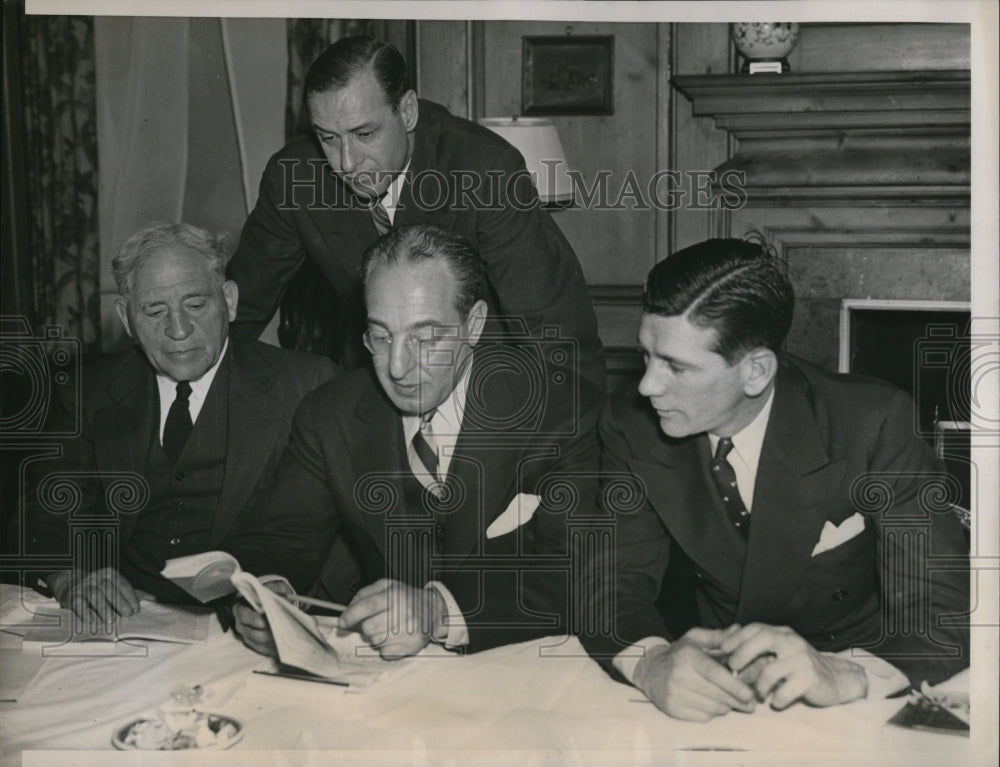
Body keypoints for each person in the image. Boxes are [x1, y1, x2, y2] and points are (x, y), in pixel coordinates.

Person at [582, 238, 969, 721]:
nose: (647, 385)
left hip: (855, 695)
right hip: (724, 692)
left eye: (676, 367)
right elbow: (610, 583)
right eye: (647, 355)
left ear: (756, 371)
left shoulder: (872, 421)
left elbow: (942, 608)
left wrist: (845, 674)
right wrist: (649, 662)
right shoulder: (630, 423)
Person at [225, 223, 598, 660]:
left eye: (424, 338)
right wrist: (266, 590)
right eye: (381, 337)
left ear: (473, 324)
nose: (397, 367)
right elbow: (278, 539)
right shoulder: (330, 414)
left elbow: (575, 572)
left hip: (518, 670)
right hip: (386, 676)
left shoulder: (559, 412)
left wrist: (439, 610)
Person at [226, 34, 604, 405]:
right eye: (328, 137)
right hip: (370, 394)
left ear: (407, 111)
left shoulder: (486, 170)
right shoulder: (294, 178)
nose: (346, 162)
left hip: (486, 395)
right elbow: (237, 310)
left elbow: (558, 335)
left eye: (364, 133)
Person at [24, 223, 337, 624]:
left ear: (229, 300)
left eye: (195, 304)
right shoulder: (90, 391)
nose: (178, 330)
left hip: (243, 622)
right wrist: (72, 576)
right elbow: (47, 505)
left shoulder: (304, 384)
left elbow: (314, 533)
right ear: (126, 318)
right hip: (121, 619)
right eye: (154, 311)